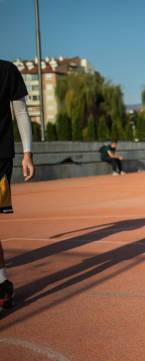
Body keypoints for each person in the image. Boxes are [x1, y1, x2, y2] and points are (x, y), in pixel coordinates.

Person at [0, 60, 36, 309]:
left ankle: (2, 285)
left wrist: (28, 153)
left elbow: (21, 112)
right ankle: (2, 283)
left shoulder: (6, 71)